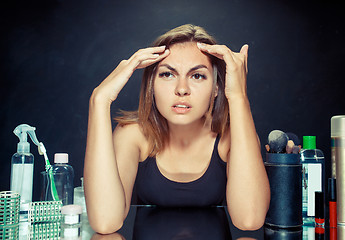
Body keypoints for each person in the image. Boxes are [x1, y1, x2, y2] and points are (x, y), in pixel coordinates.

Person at [84, 24, 270, 234]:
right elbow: (105, 222)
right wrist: (99, 100)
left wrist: (238, 97)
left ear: (217, 87)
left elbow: (250, 219)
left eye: (197, 76)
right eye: (167, 75)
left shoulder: (233, 137)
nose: (182, 89)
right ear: (152, 83)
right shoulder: (132, 134)